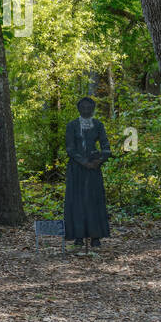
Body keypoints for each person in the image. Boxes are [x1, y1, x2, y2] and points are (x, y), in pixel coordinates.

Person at [64, 96, 112, 252]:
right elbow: (70, 149)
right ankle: (78, 236)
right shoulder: (71, 126)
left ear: (93, 109)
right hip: (76, 170)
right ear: (79, 109)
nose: (86, 110)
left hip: (93, 170)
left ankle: (96, 236)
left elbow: (106, 146)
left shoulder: (98, 125)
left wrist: (99, 160)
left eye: (89, 108)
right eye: (83, 108)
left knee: (94, 200)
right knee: (77, 201)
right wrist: (84, 162)